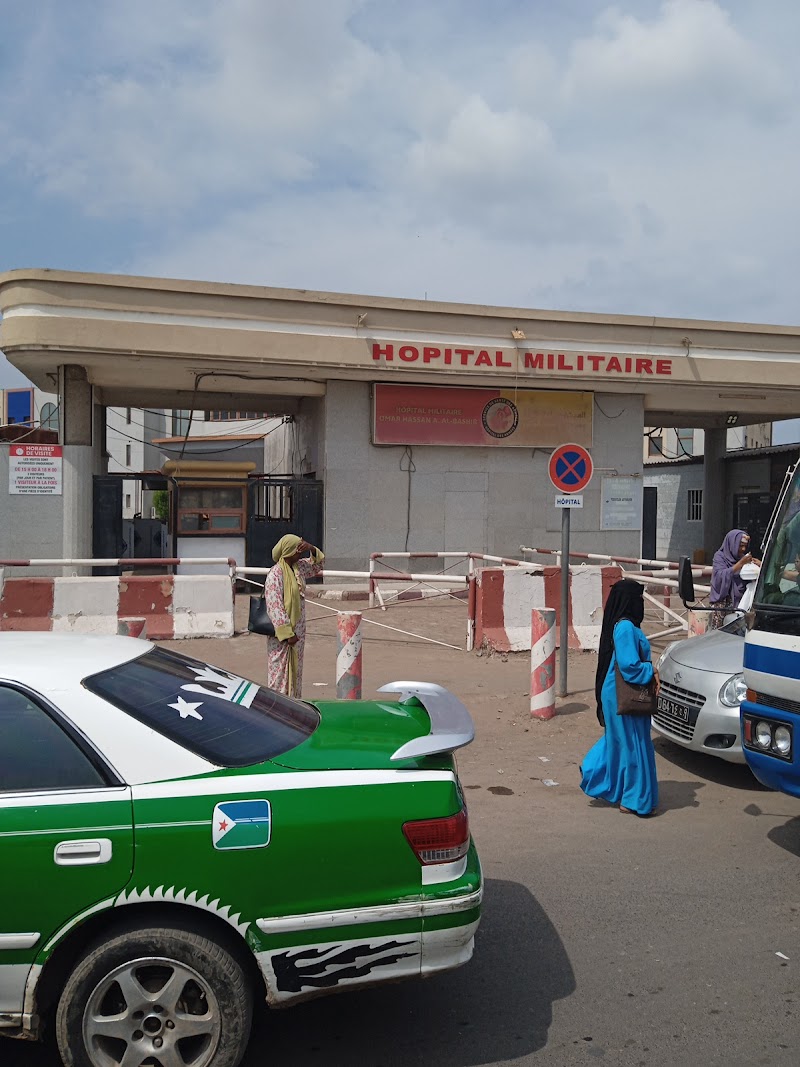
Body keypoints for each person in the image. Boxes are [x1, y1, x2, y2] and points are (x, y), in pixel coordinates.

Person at [580, 578, 658, 818]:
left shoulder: (625, 626)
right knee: (631, 744)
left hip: (618, 692)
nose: (641, 603)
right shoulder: (625, 628)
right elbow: (629, 666)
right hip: (622, 694)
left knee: (623, 741)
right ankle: (632, 799)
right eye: (639, 598)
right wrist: (652, 671)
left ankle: (602, 778)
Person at [263, 534, 324, 697]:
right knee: (279, 674)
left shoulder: (298, 569)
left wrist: (311, 548)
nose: (300, 553)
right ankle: (278, 705)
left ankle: (294, 703)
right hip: (283, 637)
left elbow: (317, 565)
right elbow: (275, 606)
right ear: (289, 551)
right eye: (298, 550)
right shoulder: (276, 574)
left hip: (297, 634)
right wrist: (288, 634)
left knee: (295, 671)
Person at [709, 529, 760, 629]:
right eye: (740, 545)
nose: (743, 549)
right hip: (722, 604)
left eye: (745, 546)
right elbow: (720, 576)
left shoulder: (743, 558)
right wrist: (740, 564)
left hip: (740, 605)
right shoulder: (720, 557)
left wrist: (757, 565)